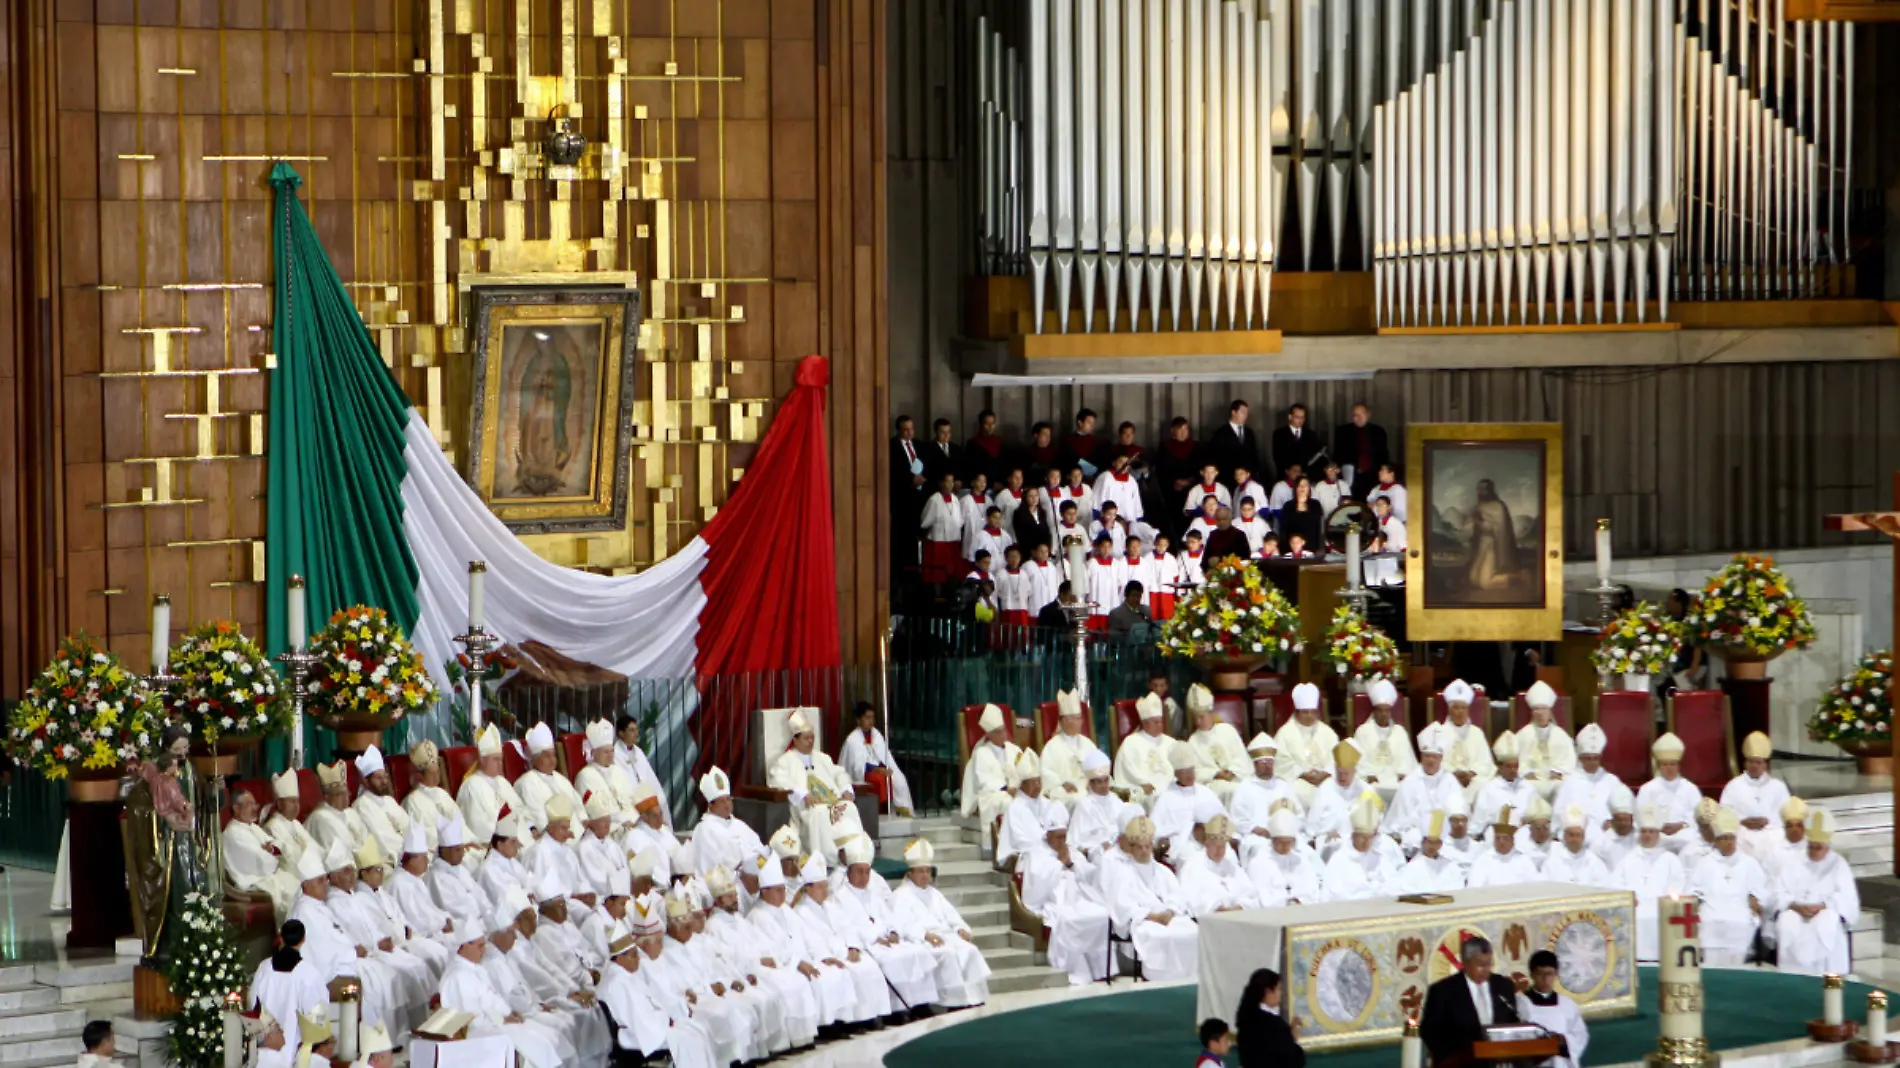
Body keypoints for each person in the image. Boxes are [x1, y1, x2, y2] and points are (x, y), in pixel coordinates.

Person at [890, 839, 991, 1007]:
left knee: (969, 949)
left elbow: (952, 915)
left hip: (945, 935)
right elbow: (902, 925)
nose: (925, 875)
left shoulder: (934, 893)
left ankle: (975, 997)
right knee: (948, 953)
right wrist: (925, 935)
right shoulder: (900, 895)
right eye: (920, 871)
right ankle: (955, 1001)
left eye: (927, 871)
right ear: (910, 873)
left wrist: (960, 928)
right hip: (921, 941)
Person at [1020, 808, 1111, 985]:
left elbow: (1088, 875)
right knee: (1069, 920)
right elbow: (1035, 887)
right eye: (1058, 837)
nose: (1063, 842)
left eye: (1064, 836)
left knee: (1103, 915)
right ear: (1047, 836)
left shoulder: (1070, 850)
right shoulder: (1035, 853)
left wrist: (1070, 863)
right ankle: (1074, 969)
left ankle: (1101, 968)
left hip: (1078, 898)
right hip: (1054, 902)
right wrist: (1059, 864)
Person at [1102, 815, 1199, 981]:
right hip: (1144, 920)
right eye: (1140, 847)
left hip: (1168, 916)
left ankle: (1187, 977)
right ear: (1131, 849)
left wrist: (1170, 911)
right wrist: (1151, 916)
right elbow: (1123, 905)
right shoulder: (1123, 873)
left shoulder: (1162, 871)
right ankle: (1158, 978)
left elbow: (1177, 896)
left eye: (1148, 846)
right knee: (1159, 936)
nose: (1145, 851)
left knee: (1192, 931)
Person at [766, 709, 865, 863]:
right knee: (820, 814)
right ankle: (828, 859)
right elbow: (777, 780)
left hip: (832, 801)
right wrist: (802, 794)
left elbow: (840, 774)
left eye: (812, 737)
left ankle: (855, 855)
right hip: (808, 807)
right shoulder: (785, 761)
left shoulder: (823, 758)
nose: (811, 741)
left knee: (849, 807)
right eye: (806, 738)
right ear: (795, 740)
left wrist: (846, 789)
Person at [1772, 808, 1859, 975]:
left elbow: (1847, 898)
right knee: (1786, 920)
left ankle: (1824, 974)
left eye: (1818, 848)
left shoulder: (1838, 864)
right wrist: (1795, 906)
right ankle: (1793, 973)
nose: (1813, 851)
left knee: (1828, 919)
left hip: (1824, 912)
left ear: (1827, 847)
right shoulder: (1793, 861)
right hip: (1796, 912)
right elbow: (1779, 891)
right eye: (1811, 847)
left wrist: (1823, 906)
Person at [1419, 936, 1525, 1061]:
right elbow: (1429, 1031)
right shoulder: (1443, 991)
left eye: (1489, 963)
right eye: (1480, 964)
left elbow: (1512, 1022)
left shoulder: (1503, 986)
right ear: (1465, 962)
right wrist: (1452, 1059)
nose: (1486, 969)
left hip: (1500, 1061)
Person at [1689, 807, 1768, 966]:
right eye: (1724, 838)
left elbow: (1762, 888)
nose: (1729, 842)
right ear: (1717, 841)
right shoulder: (1705, 863)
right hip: (1711, 915)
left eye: (1731, 838)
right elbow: (1692, 889)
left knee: (1741, 927)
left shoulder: (1749, 862)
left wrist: (1755, 898)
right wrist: (1695, 900)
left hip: (1739, 914)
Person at [1616, 805, 1687, 961]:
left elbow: (1678, 885)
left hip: (1661, 914)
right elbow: (1616, 884)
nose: (1647, 835)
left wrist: (1668, 899)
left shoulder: (1670, 860)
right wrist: (1627, 898)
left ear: (1658, 834)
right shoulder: (1627, 860)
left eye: (1651, 831)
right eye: (1644, 831)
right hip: (1634, 914)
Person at [223, 788, 301, 922]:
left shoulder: (253, 827)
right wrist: (270, 853)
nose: (255, 808)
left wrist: (270, 851)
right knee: (291, 897)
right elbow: (260, 859)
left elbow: (275, 845)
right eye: (250, 805)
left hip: (271, 874)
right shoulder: (233, 833)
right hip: (255, 880)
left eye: (255, 804)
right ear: (236, 808)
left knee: (299, 888)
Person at [1383, 726, 1461, 850]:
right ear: (1421, 757)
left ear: (1441, 758)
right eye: (1427, 756)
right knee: (1413, 839)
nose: (1431, 760)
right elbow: (1402, 818)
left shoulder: (1450, 781)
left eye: (1435, 757)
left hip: (1444, 832)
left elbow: (1456, 814)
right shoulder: (1410, 781)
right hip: (1417, 832)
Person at [459, 724, 534, 853]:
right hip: (494, 847)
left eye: (501, 759)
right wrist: (506, 838)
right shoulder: (472, 786)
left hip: (518, 841)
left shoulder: (502, 782)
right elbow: (478, 825)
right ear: (482, 760)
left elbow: (519, 809)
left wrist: (530, 827)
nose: (500, 764)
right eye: (495, 759)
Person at [1721, 731, 1792, 863]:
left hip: (1771, 834)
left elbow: (1787, 814)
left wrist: (1767, 821)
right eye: (1751, 762)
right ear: (1745, 764)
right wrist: (1742, 821)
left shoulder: (1778, 787)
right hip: (1742, 834)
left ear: (1765, 765)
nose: (1754, 766)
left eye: (1758, 762)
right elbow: (1724, 814)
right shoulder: (1733, 786)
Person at [1150, 742, 1225, 863]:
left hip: (1211, 840)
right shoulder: (1166, 798)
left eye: (1191, 770)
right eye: (1185, 772)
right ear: (1176, 773)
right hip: (1181, 844)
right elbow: (1155, 830)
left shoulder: (1206, 793)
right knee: (1192, 857)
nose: (1190, 775)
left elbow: (1223, 819)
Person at [839, 701, 915, 817]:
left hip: (880, 769)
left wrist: (885, 767)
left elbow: (884, 757)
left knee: (899, 780)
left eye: (873, 717)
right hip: (862, 773)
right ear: (858, 720)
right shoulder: (852, 740)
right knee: (880, 780)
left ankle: (901, 811)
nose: (871, 721)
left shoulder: (876, 735)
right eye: (867, 718)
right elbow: (857, 766)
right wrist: (877, 770)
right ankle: (879, 813)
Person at [1303, 741, 1377, 859]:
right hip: (1332, 843)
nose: (1342, 777)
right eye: (1339, 772)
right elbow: (1311, 827)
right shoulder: (1325, 789)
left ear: (1354, 771)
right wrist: (1326, 834)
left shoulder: (1367, 790)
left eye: (1346, 773)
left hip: (1361, 842)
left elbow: (1377, 822)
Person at [1179, 816, 1262, 915]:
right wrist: (1217, 908)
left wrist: (1240, 907)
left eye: (1222, 846)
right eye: (1215, 845)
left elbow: (1250, 894)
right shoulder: (1192, 867)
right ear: (1207, 843)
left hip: (1239, 917)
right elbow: (1191, 900)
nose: (1219, 850)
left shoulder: (1231, 866)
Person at [514, 724, 586, 838]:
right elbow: (537, 816)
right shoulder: (527, 783)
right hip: (550, 837)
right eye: (547, 756)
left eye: (554, 755)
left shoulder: (562, 780)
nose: (552, 760)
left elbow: (578, 806)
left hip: (577, 835)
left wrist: (584, 824)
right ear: (535, 759)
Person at [1520, 950, 1589, 1068]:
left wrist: (1562, 1040)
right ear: (1531, 974)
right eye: (1540, 974)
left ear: (1556, 974)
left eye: (1550, 974)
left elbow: (1580, 1035)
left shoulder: (1567, 1004)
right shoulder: (1521, 1002)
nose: (1546, 979)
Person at [1552, 724, 1624, 836]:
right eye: (1588, 758)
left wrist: (1612, 822)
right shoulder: (1569, 782)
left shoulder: (1612, 781)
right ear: (1580, 759)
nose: (1592, 762)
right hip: (1575, 838)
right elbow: (1558, 814)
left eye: (1596, 758)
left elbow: (1624, 811)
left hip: (1606, 837)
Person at [1322, 794, 1398, 900]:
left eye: (1370, 838)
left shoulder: (1380, 858)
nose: (1366, 842)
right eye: (1362, 838)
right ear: (1353, 836)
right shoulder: (1339, 860)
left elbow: (1394, 886)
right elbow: (1334, 896)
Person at [1637, 733, 1703, 853]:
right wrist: (1658, 826)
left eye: (1672, 764)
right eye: (1665, 764)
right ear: (1659, 767)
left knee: (1694, 839)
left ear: (1678, 766)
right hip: (1657, 833)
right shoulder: (1647, 789)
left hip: (1683, 835)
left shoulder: (1690, 788)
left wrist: (1681, 825)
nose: (1669, 768)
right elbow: (1640, 815)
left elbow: (1699, 816)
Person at [1185, 685, 1251, 806]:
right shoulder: (1193, 741)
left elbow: (1242, 759)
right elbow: (1195, 772)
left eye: (1201, 717)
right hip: (1213, 785)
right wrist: (1215, 774)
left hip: (1235, 778)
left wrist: (1232, 772)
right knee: (1228, 791)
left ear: (1210, 714)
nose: (1198, 722)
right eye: (1195, 718)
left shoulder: (1228, 730)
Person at [1275, 683, 1338, 806]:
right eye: (1305, 712)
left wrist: (1326, 772)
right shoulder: (1285, 733)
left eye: (1313, 712)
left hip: (1325, 779)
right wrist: (1302, 773)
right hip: (1298, 780)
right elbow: (1281, 761)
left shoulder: (1327, 732)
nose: (1310, 716)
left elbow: (1337, 758)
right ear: (1297, 713)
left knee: (1334, 790)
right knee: (1294, 792)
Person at [996, 749, 1060, 868]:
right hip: (1029, 855)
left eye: (1039, 782)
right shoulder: (1015, 808)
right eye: (1033, 783)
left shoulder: (1047, 804)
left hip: (1049, 849)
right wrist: (1044, 840)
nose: (1037, 786)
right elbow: (1019, 840)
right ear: (1023, 785)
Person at [960, 704, 1018, 833]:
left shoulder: (1014, 750)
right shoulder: (981, 753)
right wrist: (1006, 788)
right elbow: (984, 781)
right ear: (989, 734)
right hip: (992, 795)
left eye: (1004, 730)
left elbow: (1025, 770)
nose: (1003, 734)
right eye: (998, 732)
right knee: (1010, 803)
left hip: (1016, 791)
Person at [1115, 693, 1177, 812]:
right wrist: (1143, 784)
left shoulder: (1171, 742)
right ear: (1145, 723)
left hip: (1172, 790)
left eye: (1160, 721)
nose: (1160, 725)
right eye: (1155, 722)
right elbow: (1128, 770)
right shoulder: (1131, 742)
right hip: (1148, 793)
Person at [1040, 689, 1102, 808]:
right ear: (1065, 721)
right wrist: (1062, 784)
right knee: (1080, 802)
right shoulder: (1052, 747)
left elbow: (1098, 767)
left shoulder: (1088, 744)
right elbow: (1046, 773)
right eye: (1077, 719)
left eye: (1080, 718)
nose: (1082, 722)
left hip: (1088, 790)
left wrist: (1094, 781)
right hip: (1066, 794)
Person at [1514, 681, 1576, 797]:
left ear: (1550, 711)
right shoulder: (1522, 735)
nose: (1540, 713)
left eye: (1544, 709)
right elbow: (1515, 761)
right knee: (1524, 787)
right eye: (1536, 709)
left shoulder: (1561, 735)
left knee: (1566, 787)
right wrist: (1526, 772)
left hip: (1555, 781)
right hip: (1531, 780)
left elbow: (1569, 760)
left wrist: (1558, 771)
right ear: (1532, 712)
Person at [400, 742, 462, 858]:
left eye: (437, 772)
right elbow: (426, 836)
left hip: (454, 849)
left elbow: (458, 821)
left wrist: (463, 842)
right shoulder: (413, 801)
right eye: (431, 773)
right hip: (433, 856)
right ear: (420, 776)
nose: (436, 777)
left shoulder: (442, 794)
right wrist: (449, 845)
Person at [1352, 679, 1418, 787]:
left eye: (1387, 710)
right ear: (1374, 711)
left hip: (1397, 785)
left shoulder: (1400, 732)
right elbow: (1359, 762)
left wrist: (1403, 774)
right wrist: (1369, 775)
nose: (1383, 714)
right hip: (1371, 784)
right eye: (1380, 710)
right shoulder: (1363, 731)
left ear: (1391, 712)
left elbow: (1407, 760)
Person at [1234, 968, 1304, 1068]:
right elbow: (1292, 1060)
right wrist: (1293, 1039)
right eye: (1279, 989)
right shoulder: (1273, 1024)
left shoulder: (1245, 1020)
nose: (1281, 993)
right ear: (1268, 992)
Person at [1436, 680, 1495, 796]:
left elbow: (1485, 762)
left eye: (1464, 708)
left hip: (1474, 781)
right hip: (1449, 781)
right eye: (1456, 708)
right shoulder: (1439, 732)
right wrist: (1454, 774)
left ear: (1468, 710)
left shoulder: (1477, 732)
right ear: (1449, 710)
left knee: (1486, 787)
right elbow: (1435, 763)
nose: (1460, 712)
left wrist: (1471, 773)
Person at [1472, 732, 1536, 839]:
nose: (1513, 770)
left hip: (1524, 835)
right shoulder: (1489, 789)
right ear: (1500, 767)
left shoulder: (1528, 788)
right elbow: (1480, 820)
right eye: (1509, 766)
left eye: (1515, 766)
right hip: (1496, 835)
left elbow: (1537, 815)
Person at [1542, 805, 1615, 888]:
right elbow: (1545, 888)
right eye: (1571, 835)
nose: (1574, 839)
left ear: (1583, 837)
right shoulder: (1552, 862)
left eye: (1578, 835)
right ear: (1564, 836)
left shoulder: (1594, 863)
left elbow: (1603, 888)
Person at [1465, 809, 1540, 888]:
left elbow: (1535, 887)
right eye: (1497, 838)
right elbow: (1474, 888)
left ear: (1512, 840)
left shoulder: (1524, 860)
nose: (1501, 842)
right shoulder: (1483, 861)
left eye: (1505, 838)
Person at [1395, 811, 1467, 893]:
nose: (1432, 846)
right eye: (1429, 842)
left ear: (1441, 844)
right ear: (1423, 842)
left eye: (1436, 842)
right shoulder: (1412, 867)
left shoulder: (1451, 867)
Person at [1333, 402, 1391, 498]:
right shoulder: (1343, 432)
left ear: (1368, 414)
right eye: (1355, 415)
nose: (1359, 418)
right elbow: (1337, 455)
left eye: (1362, 414)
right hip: (1351, 477)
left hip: (1373, 476)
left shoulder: (1378, 432)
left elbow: (1384, 455)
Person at [918, 472, 964, 585]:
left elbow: (959, 520)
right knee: (938, 574)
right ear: (941, 483)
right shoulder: (934, 499)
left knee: (952, 573)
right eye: (947, 481)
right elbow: (925, 521)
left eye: (951, 481)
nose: (949, 484)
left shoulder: (955, 499)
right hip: (938, 542)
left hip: (952, 541)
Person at [1205, 400, 1263, 485]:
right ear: (1233, 412)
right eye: (1242, 412)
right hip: (1228, 480)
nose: (1245, 416)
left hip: (1248, 480)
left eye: (1247, 413)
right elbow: (1216, 457)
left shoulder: (1249, 432)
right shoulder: (1221, 433)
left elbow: (1254, 456)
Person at [1271, 402, 1324, 475]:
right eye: (1297, 417)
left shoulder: (1310, 434)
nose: (1300, 420)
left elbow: (1314, 456)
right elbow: (1278, 457)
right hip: (1286, 476)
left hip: (1306, 476)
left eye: (1302, 417)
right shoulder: (1279, 434)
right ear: (1290, 417)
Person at [1094, 451, 1145, 522]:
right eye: (1121, 462)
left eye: (1126, 463)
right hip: (1109, 520)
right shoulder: (1105, 477)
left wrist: (1138, 518)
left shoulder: (1132, 481)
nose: (1124, 465)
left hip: (1128, 521)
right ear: (1114, 463)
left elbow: (1136, 502)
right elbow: (1097, 500)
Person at [963, 409, 1005, 485]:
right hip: (980, 484)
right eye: (987, 424)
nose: (990, 426)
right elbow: (969, 467)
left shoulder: (999, 442)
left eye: (992, 423)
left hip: (998, 485)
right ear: (981, 424)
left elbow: (1003, 465)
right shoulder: (973, 443)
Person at [1150, 533, 1184, 619]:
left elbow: (1175, 577)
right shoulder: (1148, 557)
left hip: (1167, 592)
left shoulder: (1170, 558)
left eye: (1164, 545)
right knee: (1153, 615)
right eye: (1159, 545)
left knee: (1167, 617)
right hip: (1152, 592)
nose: (1161, 548)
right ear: (1155, 544)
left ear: (1168, 545)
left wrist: (1177, 595)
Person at [1013, 486, 1054, 554]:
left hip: (1043, 550)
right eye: (1030, 496)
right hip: (1028, 551)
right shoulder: (1019, 513)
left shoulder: (1042, 512)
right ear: (1025, 498)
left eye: (1036, 495)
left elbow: (1046, 531)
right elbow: (1021, 535)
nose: (1034, 498)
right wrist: (1033, 550)